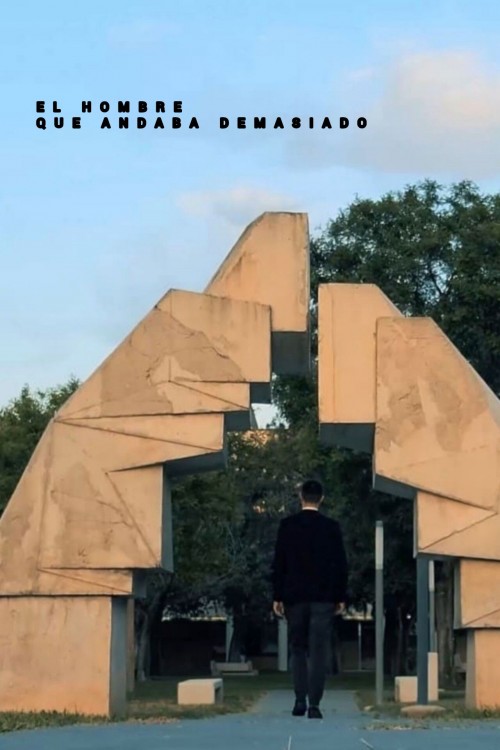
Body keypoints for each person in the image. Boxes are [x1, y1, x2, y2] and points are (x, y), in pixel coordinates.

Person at [271, 479, 348, 719]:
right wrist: (340, 596)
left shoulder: (287, 526)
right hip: (323, 598)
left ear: (301, 497)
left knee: (298, 648)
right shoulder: (331, 527)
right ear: (321, 498)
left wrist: (277, 595)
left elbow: (279, 563)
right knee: (318, 651)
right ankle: (315, 704)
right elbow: (340, 565)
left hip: (294, 597)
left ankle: (299, 700)